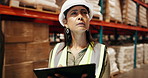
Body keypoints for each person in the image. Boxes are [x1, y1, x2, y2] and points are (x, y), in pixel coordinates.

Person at [48, 0, 110, 78]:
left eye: (84, 13)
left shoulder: (100, 51)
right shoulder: (56, 52)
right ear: (65, 22)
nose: (80, 17)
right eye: (74, 13)